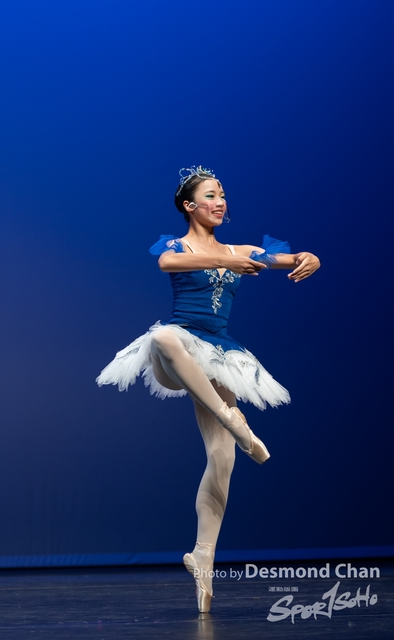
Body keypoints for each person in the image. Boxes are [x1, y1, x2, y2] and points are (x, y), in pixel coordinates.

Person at [96, 166, 320, 613]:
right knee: (164, 336)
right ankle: (232, 419)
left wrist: (310, 258)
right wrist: (224, 262)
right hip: (176, 355)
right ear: (189, 205)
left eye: (222, 195)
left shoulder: (243, 251)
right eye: (211, 195)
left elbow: (290, 258)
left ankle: (203, 557)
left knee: (222, 459)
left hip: (218, 357)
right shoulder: (177, 246)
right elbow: (166, 263)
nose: (220, 202)